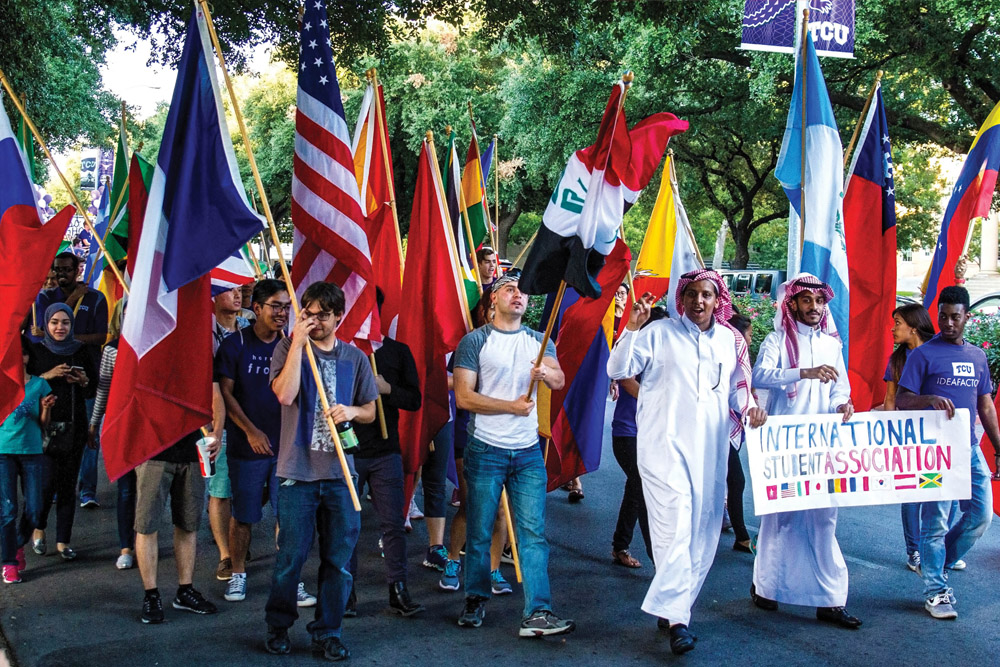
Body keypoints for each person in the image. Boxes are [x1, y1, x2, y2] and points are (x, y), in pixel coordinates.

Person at [607, 269, 765, 655]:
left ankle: (673, 603)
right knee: (674, 524)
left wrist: (751, 411)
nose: (699, 301)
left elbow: (736, 390)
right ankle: (679, 619)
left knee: (703, 528)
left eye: (707, 295)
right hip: (663, 447)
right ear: (682, 298)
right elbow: (617, 369)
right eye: (692, 294)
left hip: (709, 450)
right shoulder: (658, 334)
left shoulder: (728, 340)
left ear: (718, 300)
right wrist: (631, 327)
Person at [453, 270, 575, 638]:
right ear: (494, 299)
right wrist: (510, 406)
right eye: (509, 289)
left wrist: (546, 374)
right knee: (479, 530)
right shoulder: (474, 341)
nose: (518, 295)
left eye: (522, 291)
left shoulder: (540, 342)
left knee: (533, 534)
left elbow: (559, 380)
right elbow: (464, 397)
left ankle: (538, 611)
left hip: (526, 453)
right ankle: (475, 598)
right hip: (485, 448)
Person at [264, 282, 378, 660]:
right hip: (297, 471)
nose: (314, 321)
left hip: (340, 474)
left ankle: (328, 630)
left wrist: (351, 412)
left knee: (339, 560)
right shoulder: (288, 347)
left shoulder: (355, 358)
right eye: (308, 314)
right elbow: (284, 394)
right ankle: (279, 624)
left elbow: (370, 411)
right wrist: (297, 343)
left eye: (322, 316)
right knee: (290, 557)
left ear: (338, 317)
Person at [749, 274, 861, 630]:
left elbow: (839, 388)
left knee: (824, 520)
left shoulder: (831, 344)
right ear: (793, 303)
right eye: (807, 301)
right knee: (780, 519)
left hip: (822, 447)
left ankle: (830, 600)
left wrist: (843, 404)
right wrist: (804, 372)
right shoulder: (776, 339)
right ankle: (767, 586)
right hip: (783, 448)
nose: (814, 307)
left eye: (819, 301)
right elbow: (760, 376)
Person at [896, 285, 1000, 620]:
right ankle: (935, 590)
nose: (948, 322)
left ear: (967, 317)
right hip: (934, 451)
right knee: (936, 522)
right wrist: (928, 400)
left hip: (967, 448)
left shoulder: (977, 356)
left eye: (955, 316)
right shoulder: (923, 354)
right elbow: (902, 399)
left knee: (980, 515)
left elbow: (985, 405)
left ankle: (933, 564)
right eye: (943, 316)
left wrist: (998, 448)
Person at [216, 280, 314, 606]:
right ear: (256, 308)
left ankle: (290, 578)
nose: (283, 313)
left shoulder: (293, 345)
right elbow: (225, 394)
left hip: (286, 447)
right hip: (247, 449)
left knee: (288, 516)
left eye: (287, 306)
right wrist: (250, 431)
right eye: (275, 305)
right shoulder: (234, 345)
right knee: (243, 515)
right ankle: (238, 573)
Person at [348, 287, 424, 617]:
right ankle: (344, 592)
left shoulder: (397, 352)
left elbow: (415, 399)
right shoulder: (340, 352)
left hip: (385, 451)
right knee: (346, 526)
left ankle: (398, 588)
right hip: (347, 452)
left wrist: (387, 388)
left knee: (393, 524)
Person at [28, 304, 98, 561]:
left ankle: (63, 541)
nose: (60, 327)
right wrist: (49, 375)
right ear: (46, 324)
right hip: (43, 429)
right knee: (44, 486)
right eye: (55, 322)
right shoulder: (37, 351)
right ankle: (38, 529)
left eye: (65, 322)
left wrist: (83, 381)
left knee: (68, 486)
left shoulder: (80, 350)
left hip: (74, 427)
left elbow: (92, 390)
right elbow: (26, 390)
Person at [134, 429, 220, 624]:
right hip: (153, 450)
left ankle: (185, 589)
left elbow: (214, 398)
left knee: (188, 524)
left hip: (191, 450)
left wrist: (216, 432)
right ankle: (151, 594)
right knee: (147, 525)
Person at [882, 304, 938, 572]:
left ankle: (938, 548)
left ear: (914, 326)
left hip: (939, 436)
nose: (893, 328)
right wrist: (892, 437)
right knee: (912, 493)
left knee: (939, 491)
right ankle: (914, 551)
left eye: (898, 322)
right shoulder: (897, 360)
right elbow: (890, 400)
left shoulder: (938, 353)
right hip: (909, 436)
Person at [609, 306, 663, 569]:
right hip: (627, 432)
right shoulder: (636, 349)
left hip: (653, 434)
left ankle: (620, 545)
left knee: (636, 487)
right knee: (641, 485)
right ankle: (658, 558)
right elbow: (625, 378)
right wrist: (654, 403)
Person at [87, 298, 138, 569]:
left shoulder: (157, 346)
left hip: (149, 428)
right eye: (128, 312)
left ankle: (145, 540)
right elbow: (103, 389)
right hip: (120, 426)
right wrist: (94, 423)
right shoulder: (111, 350)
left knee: (149, 490)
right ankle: (126, 547)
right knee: (126, 489)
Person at [0, 340, 55, 583]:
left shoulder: (40, 385)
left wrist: (45, 408)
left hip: (32, 451)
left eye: (21, 354)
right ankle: (9, 562)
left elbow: (44, 424)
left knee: (34, 510)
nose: (18, 359)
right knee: (8, 510)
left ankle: (16, 545)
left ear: (27, 358)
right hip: (4, 453)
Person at [210, 286, 251, 582]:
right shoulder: (201, 331)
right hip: (217, 421)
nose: (237, 296)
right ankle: (226, 554)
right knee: (221, 489)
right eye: (229, 290)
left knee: (251, 488)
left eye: (240, 290)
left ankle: (240, 540)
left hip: (250, 417)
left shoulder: (250, 326)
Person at [33, 252, 108, 347]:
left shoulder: (96, 297)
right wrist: (73, 298)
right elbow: (46, 330)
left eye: (66, 269)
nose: (61, 274)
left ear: (76, 271)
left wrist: (67, 338)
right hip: (53, 355)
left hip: (85, 357)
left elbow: (101, 338)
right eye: (57, 270)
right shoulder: (45, 296)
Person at [726, 312, 754, 553]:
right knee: (736, 480)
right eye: (749, 334)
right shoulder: (725, 355)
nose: (751, 340)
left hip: (729, 427)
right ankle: (742, 535)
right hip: (716, 429)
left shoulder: (738, 358)